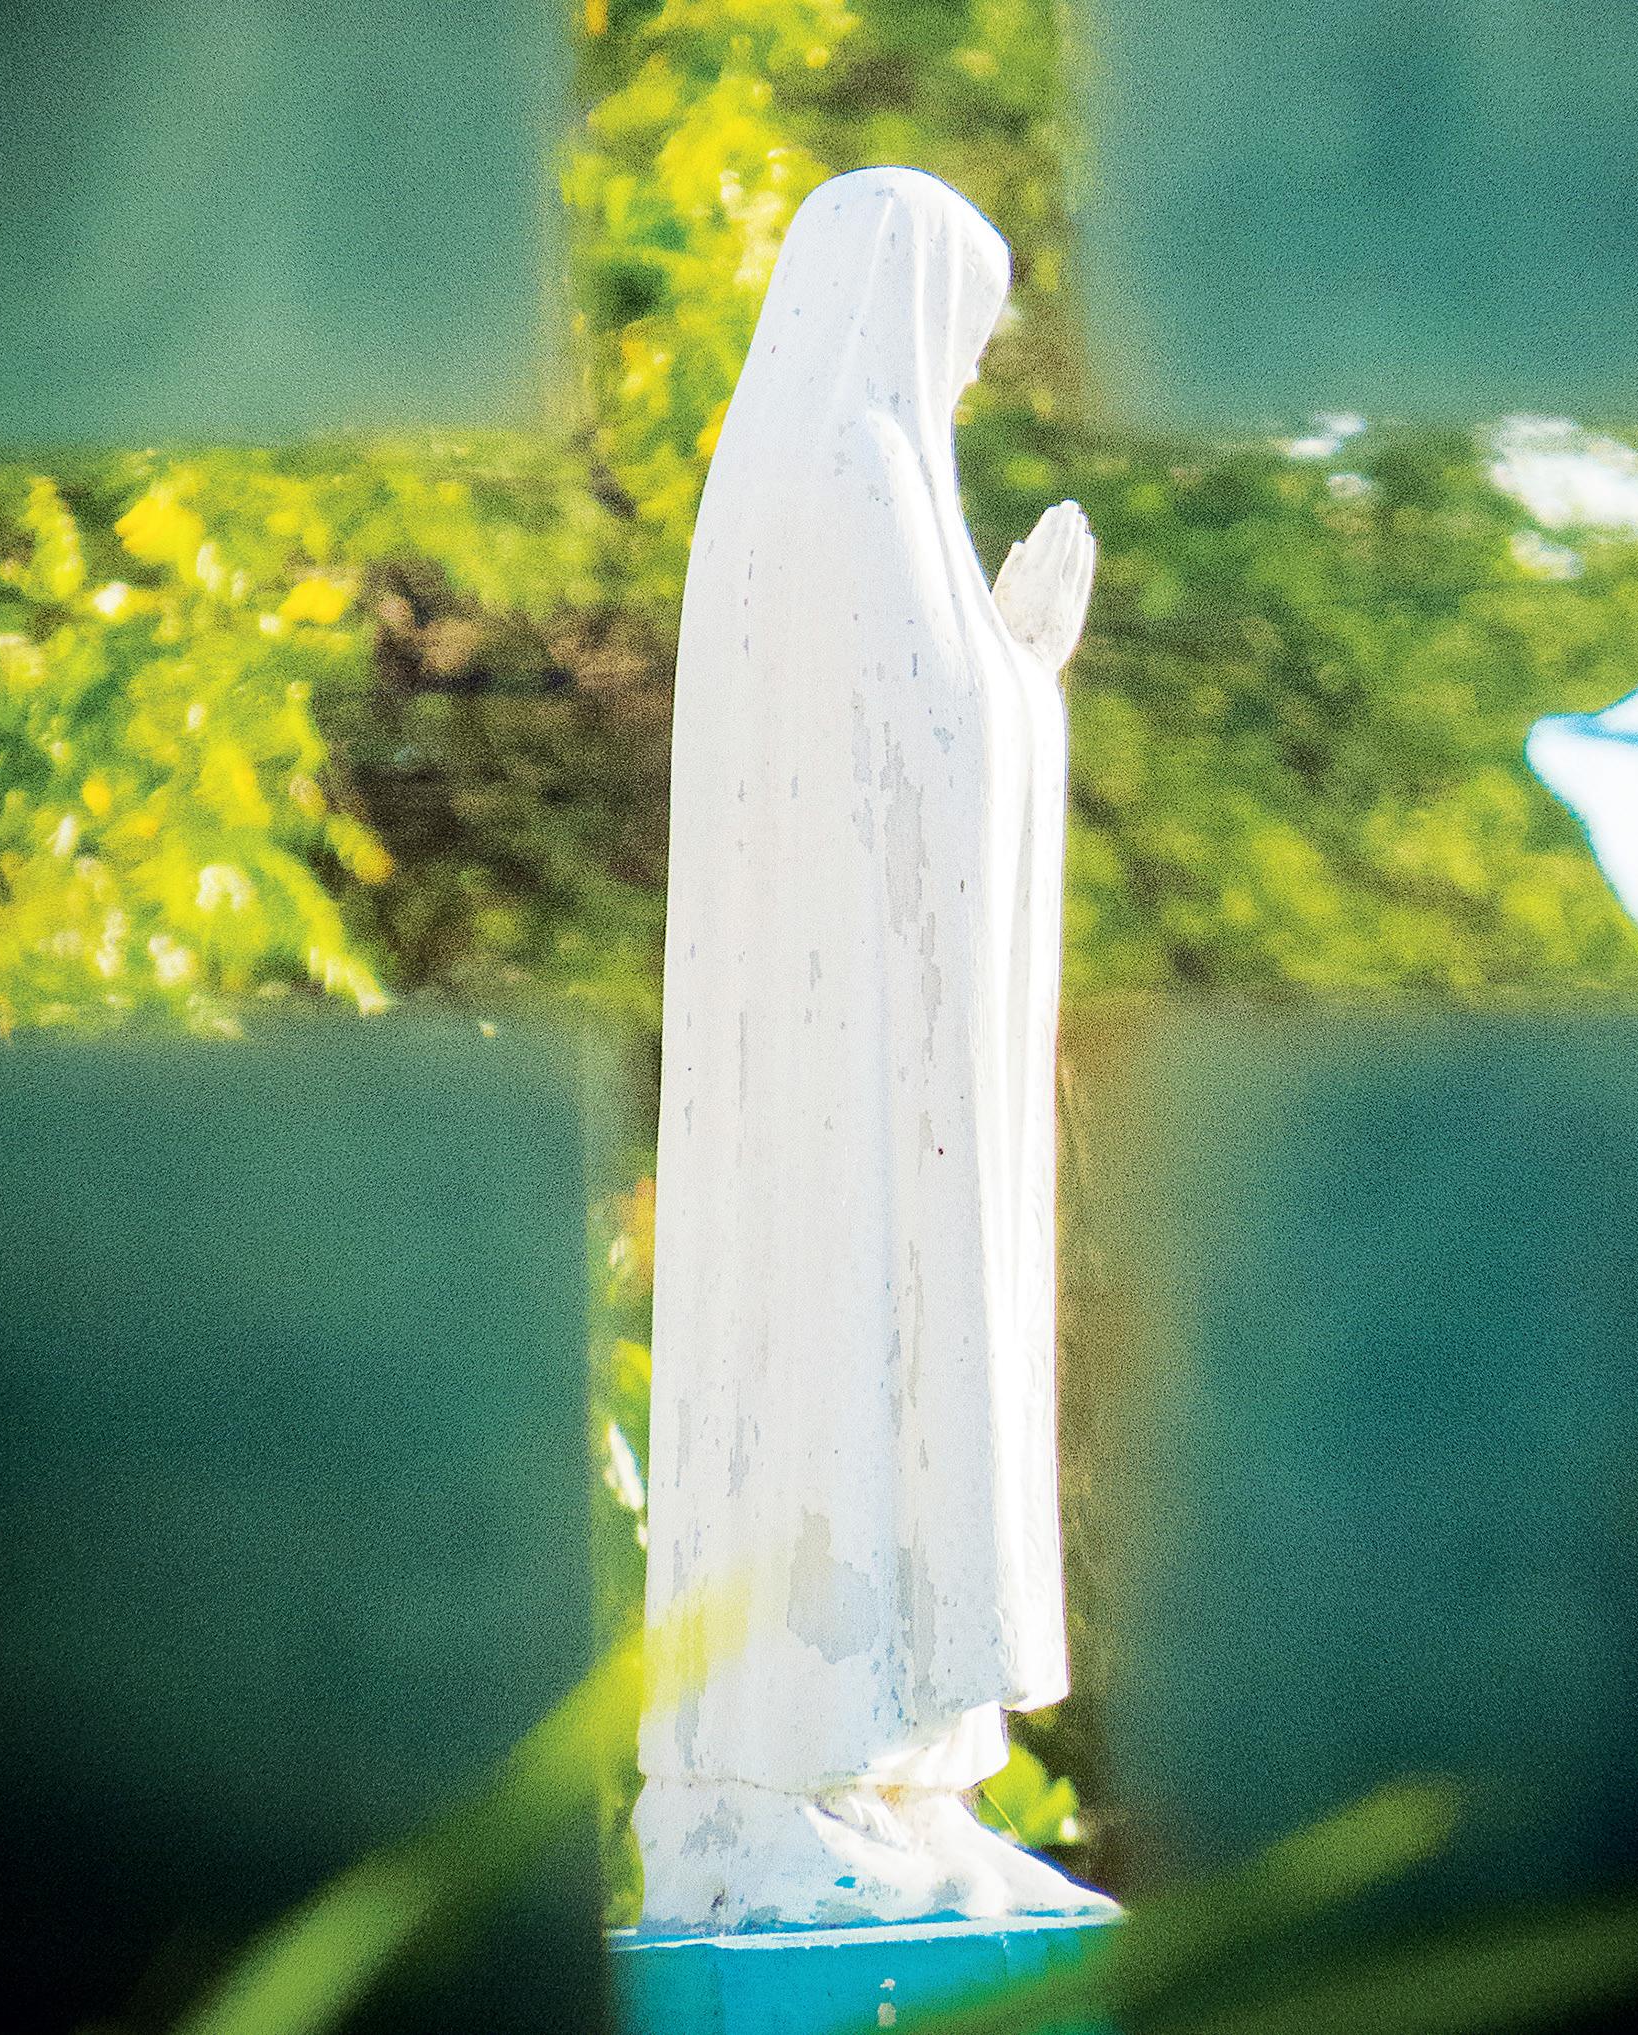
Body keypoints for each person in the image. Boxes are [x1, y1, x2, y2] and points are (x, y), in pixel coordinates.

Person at [634, 165, 1109, 1930]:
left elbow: (926, 730)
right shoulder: (843, 472)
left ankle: (901, 1784)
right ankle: (770, 1795)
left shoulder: (853, 471)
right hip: (830, 1073)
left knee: (906, 1384)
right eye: (962, 334)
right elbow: (925, 740)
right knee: (842, 1383)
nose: (968, 371)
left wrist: (1012, 671)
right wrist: (1020, 676)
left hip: (875, 1053)